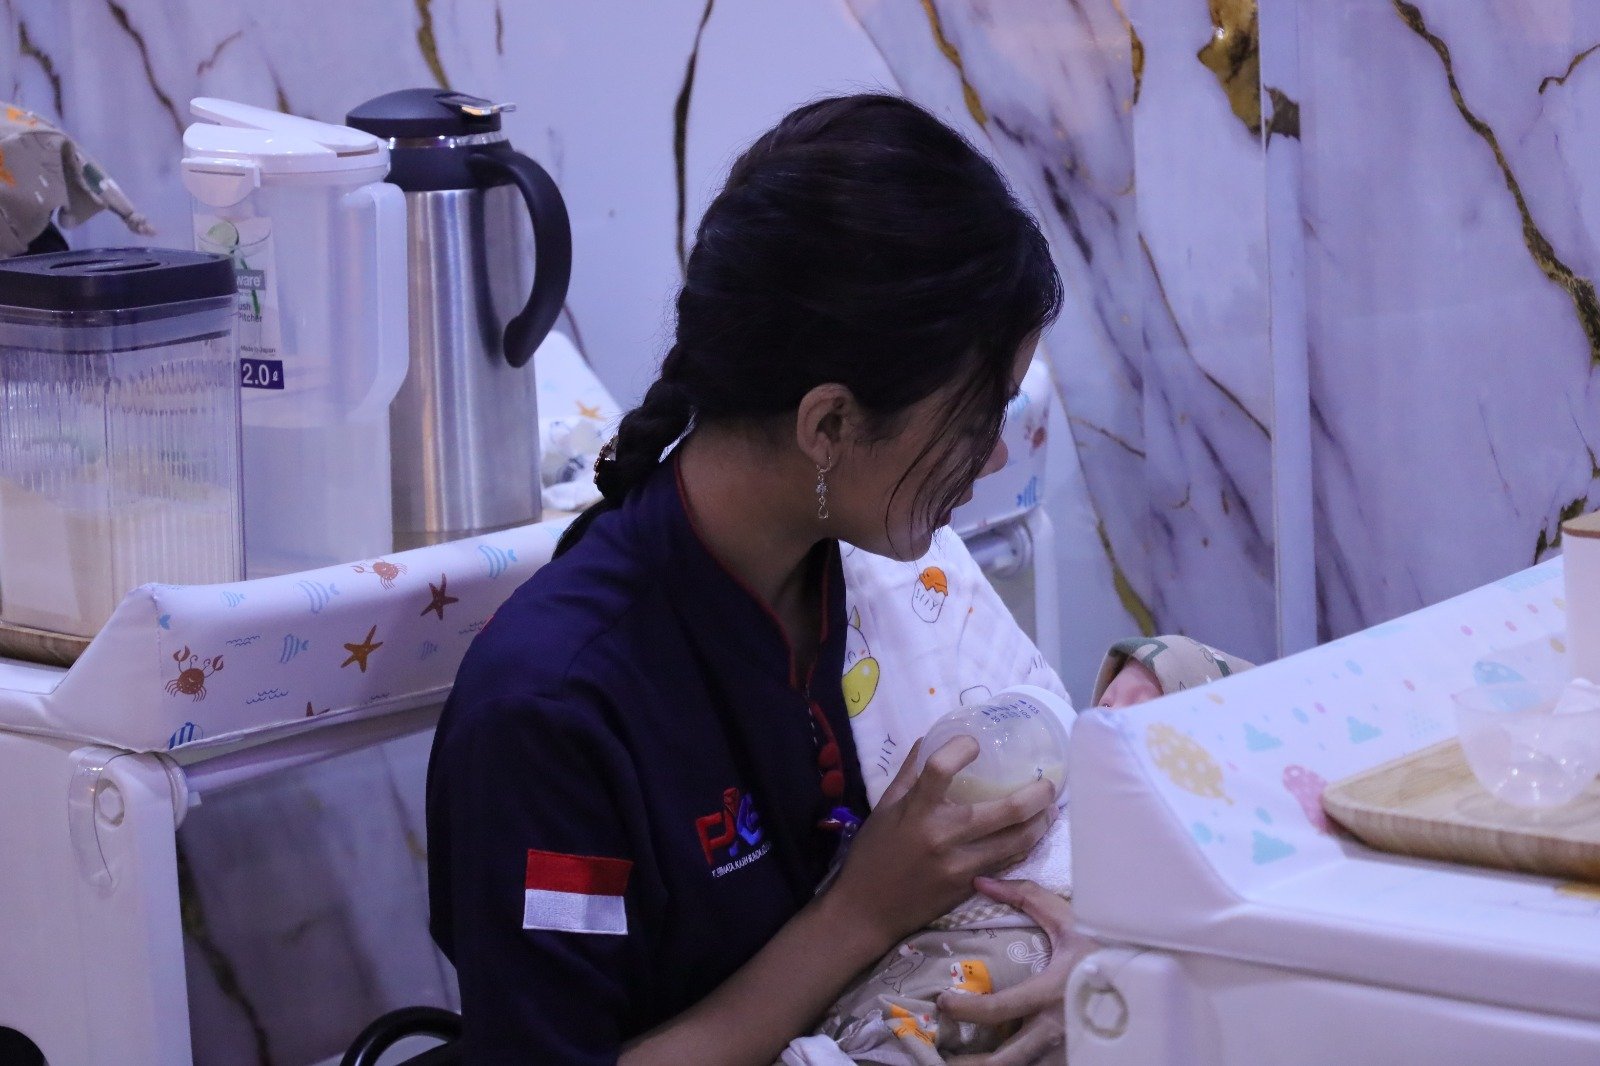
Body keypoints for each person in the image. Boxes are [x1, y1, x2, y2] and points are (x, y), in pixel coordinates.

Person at [427, 93, 1109, 1064]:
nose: (996, 455)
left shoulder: (874, 582)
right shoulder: (551, 712)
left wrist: (1072, 948)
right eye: (975, 418)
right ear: (828, 425)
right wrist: (860, 911)